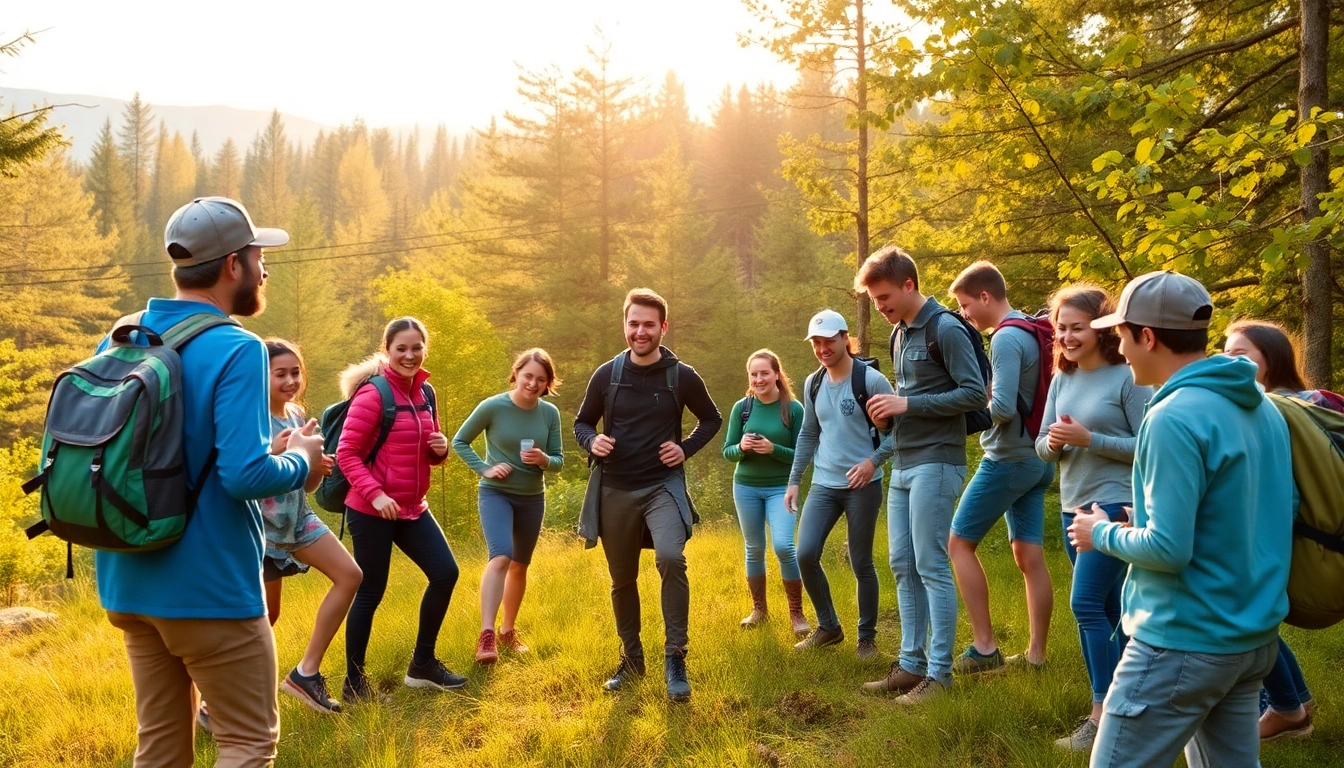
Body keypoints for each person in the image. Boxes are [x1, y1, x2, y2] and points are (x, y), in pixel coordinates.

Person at [98, 196, 324, 767]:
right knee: (247, 743)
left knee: (161, 746)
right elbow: (245, 474)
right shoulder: (236, 347)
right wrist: (301, 459)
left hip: (128, 578)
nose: (264, 268)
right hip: (209, 588)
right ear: (232, 266)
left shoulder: (123, 335)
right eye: (257, 255)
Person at [1069, 271, 1293, 768]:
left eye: (1121, 335)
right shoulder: (1261, 407)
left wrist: (1100, 532)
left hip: (1183, 641)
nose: (1118, 348)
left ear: (1147, 336)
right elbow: (1248, 508)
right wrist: (1138, 512)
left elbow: (1170, 550)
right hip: (1251, 638)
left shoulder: (1172, 416)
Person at [574, 288, 722, 703]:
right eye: (633, 324)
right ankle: (632, 659)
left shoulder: (682, 375)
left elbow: (711, 418)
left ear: (663, 327)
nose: (640, 332)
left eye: (649, 325)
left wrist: (685, 447)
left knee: (671, 558)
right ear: (625, 325)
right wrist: (592, 441)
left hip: (662, 486)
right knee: (622, 579)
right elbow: (582, 423)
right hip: (615, 490)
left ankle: (675, 658)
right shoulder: (607, 374)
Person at [855, 245, 987, 704]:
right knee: (902, 563)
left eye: (885, 296)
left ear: (909, 285)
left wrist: (906, 404)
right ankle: (910, 666)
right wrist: (887, 419)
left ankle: (940, 674)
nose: (880, 306)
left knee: (931, 565)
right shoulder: (899, 334)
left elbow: (974, 394)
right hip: (905, 461)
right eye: (874, 300)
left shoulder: (945, 328)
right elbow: (910, 400)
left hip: (939, 461)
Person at [1033, 287, 1151, 752]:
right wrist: (1058, 443)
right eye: (1060, 328)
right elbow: (1040, 444)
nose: (1066, 336)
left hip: (1115, 508)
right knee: (1108, 612)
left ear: (1100, 329)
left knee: (1085, 605)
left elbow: (1150, 447)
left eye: (1076, 327)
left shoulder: (1128, 377)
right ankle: (1130, 708)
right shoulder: (1062, 378)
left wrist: (1090, 439)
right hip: (1072, 506)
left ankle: (1102, 714)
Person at [1223, 319, 1338, 742]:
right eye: (1225, 352)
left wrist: (1258, 541)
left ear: (1269, 360)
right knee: (1259, 619)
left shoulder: (1274, 410)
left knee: (1251, 617)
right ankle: (1294, 704)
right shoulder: (1304, 401)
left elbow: (1282, 491)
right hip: (1313, 532)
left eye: (1240, 355)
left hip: (1293, 535)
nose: (1227, 362)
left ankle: (1285, 710)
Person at [338, 317, 465, 700]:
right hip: (370, 509)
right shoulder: (373, 394)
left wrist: (439, 452)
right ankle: (355, 684)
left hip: (412, 507)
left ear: (424, 349)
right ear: (387, 351)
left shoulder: (427, 392)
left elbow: (423, 451)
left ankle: (422, 665)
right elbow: (346, 453)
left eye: (416, 348)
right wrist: (375, 494)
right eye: (401, 349)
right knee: (371, 591)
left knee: (445, 573)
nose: (410, 355)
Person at [946, 261, 1056, 673]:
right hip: (1038, 458)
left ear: (986, 296)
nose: (965, 314)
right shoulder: (1031, 327)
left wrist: (967, 410)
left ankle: (985, 647)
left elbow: (1004, 408)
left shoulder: (1007, 337)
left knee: (958, 545)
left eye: (966, 304)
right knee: (1029, 555)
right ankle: (1036, 656)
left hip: (1009, 459)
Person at [258, 339, 362, 715]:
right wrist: (273, 451)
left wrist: (315, 468)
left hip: (297, 517)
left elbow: (306, 486)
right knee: (265, 616)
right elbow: (241, 472)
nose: (290, 381)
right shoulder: (250, 417)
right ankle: (222, 699)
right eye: (280, 374)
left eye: (295, 372)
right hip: (261, 527)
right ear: (260, 375)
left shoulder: (299, 417)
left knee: (350, 575)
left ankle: (305, 673)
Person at [785, 310, 894, 658]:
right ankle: (829, 627)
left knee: (861, 561)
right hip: (824, 483)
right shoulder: (813, 383)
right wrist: (794, 481)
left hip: (864, 485)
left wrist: (872, 462)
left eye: (828, 340)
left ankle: (867, 638)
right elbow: (809, 433)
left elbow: (901, 435)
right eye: (816, 342)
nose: (822, 348)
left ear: (845, 337)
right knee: (805, 553)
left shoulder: (872, 381)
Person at [452, 348, 565, 664]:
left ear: (547, 384)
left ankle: (507, 631)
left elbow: (559, 461)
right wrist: (485, 468)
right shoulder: (493, 407)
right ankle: (486, 635)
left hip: (532, 497)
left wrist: (544, 460)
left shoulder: (549, 414)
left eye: (541, 380)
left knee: (520, 565)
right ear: (516, 373)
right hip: (496, 494)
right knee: (501, 556)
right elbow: (459, 441)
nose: (533, 384)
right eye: (528, 376)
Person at [722, 350, 809, 636]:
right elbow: (728, 451)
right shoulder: (742, 408)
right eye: (754, 374)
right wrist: (742, 448)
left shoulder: (793, 408)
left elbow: (803, 455)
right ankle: (759, 610)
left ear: (776, 375)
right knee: (754, 548)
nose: (759, 379)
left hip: (782, 488)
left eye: (764, 373)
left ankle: (796, 613)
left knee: (784, 546)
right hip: (745, 486)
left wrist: (774, 449)